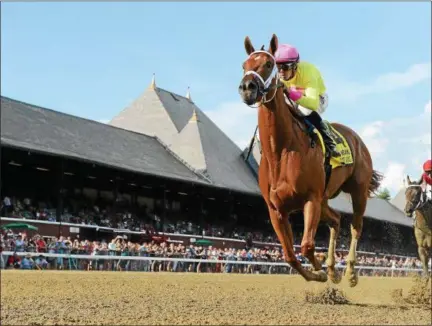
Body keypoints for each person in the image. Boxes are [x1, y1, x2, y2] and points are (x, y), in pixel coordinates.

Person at [274, 44, 341, 157]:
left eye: (285, 67)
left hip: (317, 99)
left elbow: (312, 104)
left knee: (304, 110)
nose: (281, 72)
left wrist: (290, 93)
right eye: (278, 67)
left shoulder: (309, 72)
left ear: (295, 66)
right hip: (295, 97)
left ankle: (329, 142)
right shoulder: (279, 75)